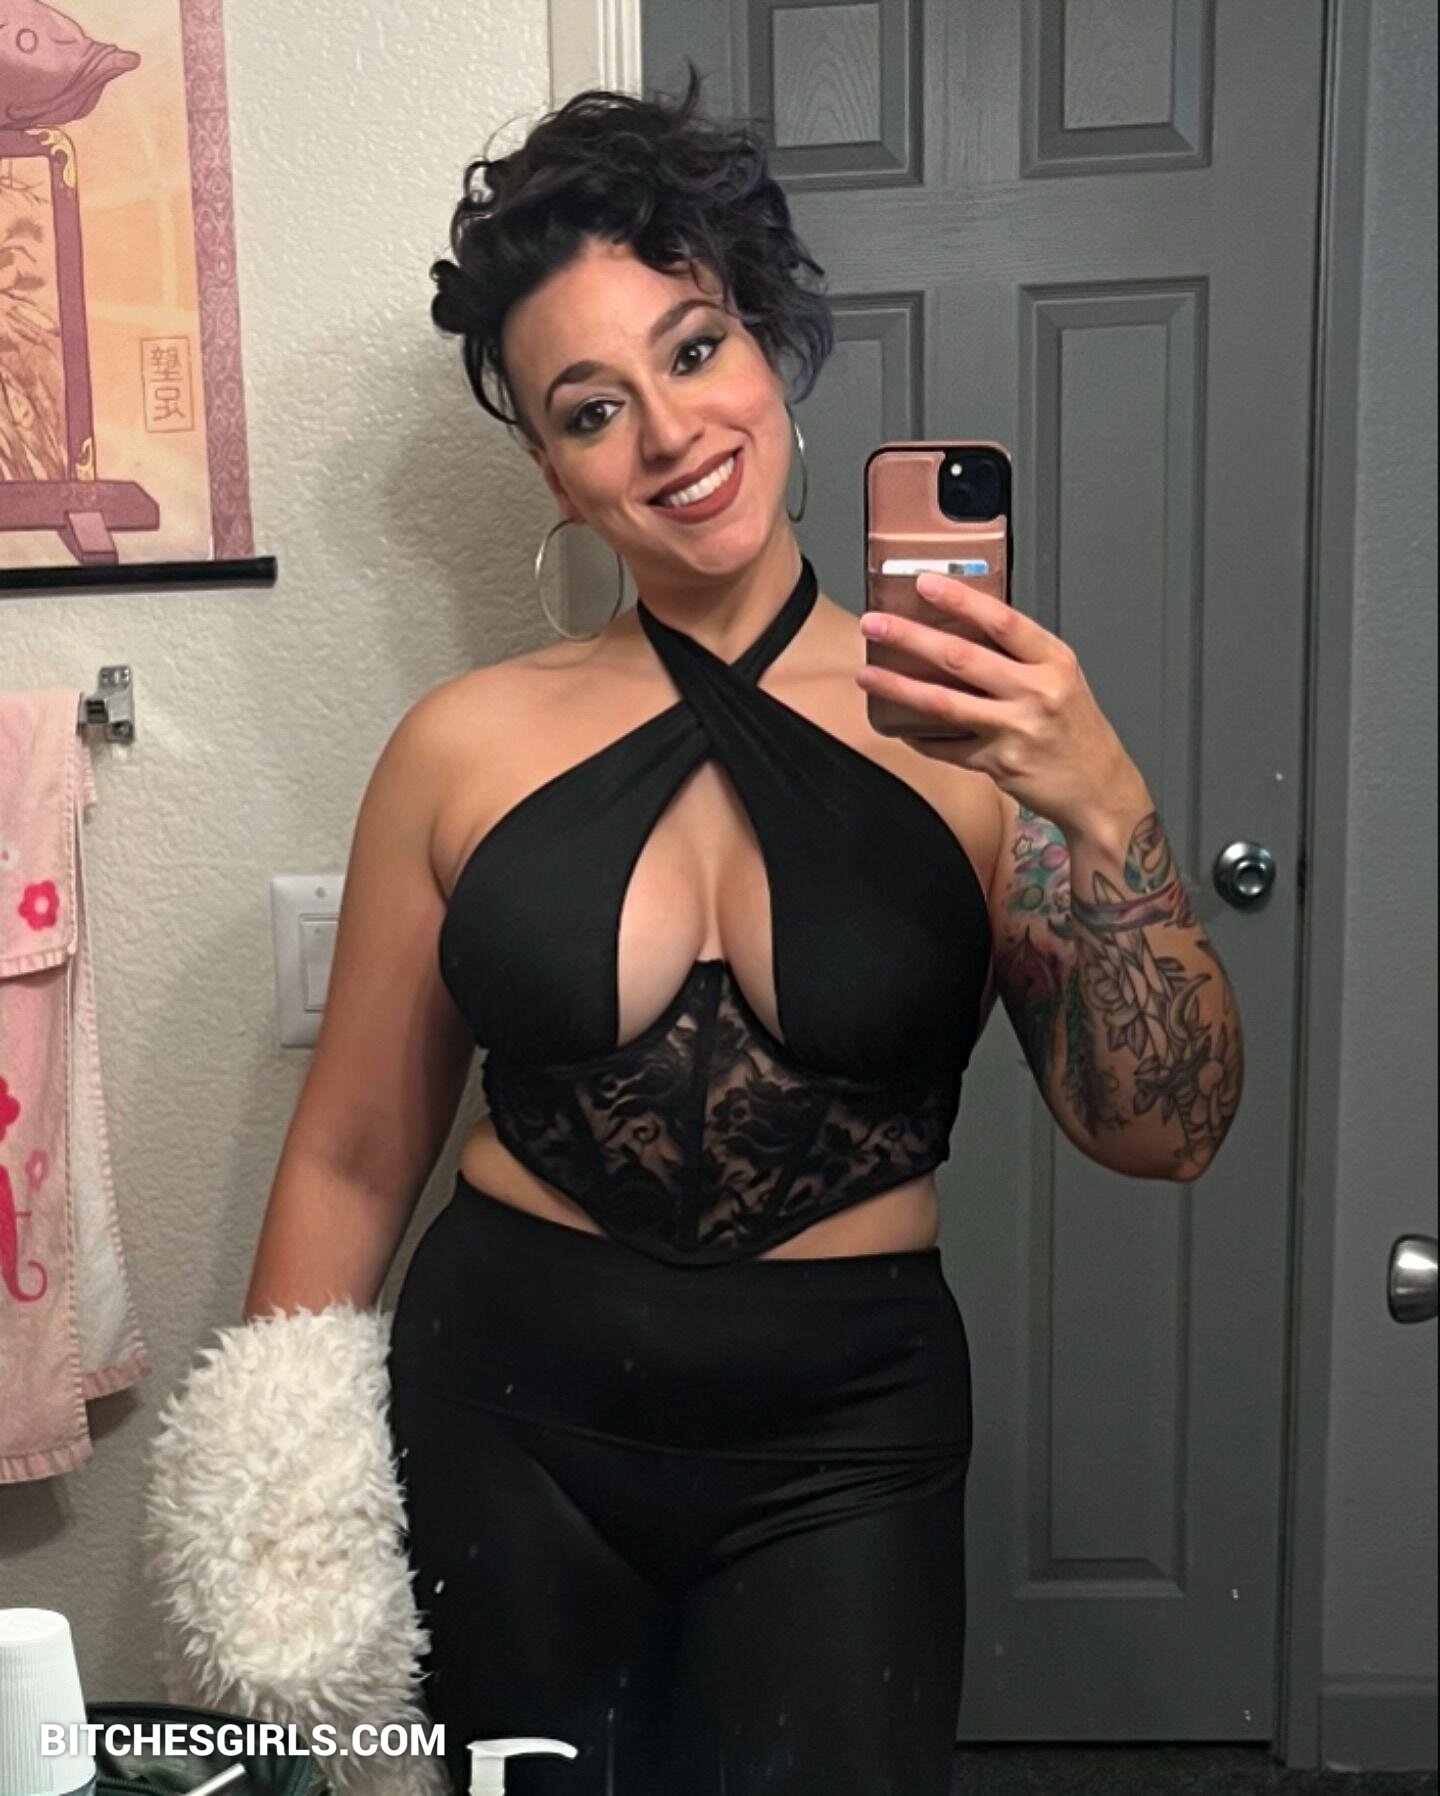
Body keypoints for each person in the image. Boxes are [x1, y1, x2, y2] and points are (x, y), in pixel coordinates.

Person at [244, 59, 1237, 1796]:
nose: (670, 434)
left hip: (847, 1443)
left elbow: (1166, 1133)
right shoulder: (458, 749)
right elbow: (349, 1153)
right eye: (591, 407)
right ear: (553, 472)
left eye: (694, 350)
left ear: (771, 349)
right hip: (504, 1418)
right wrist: (276, 1528)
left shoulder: (987, 739)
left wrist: (1105, 802)